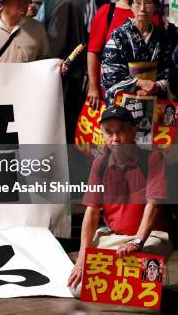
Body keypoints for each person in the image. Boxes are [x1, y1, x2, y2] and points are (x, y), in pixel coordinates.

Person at [67, 106, 172, 298]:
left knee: (142, 287)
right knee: (78, 288)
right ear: (102, 134)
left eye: (121, 131)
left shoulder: (153, 159)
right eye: (109, 132)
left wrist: (138, 242)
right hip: (114, 238)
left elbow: (154, 204)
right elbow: (91, 212)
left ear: (133, 131)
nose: (115, 139)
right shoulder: (99, 165)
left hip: (150, 237)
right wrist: (82, 257)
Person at [86, 0, 156, 109]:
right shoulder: (107, 11)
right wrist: (93, 87)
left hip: (149, 91)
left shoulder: (152, 15)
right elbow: (93, 51)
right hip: (116, 88)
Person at [44, 0, 95, 140]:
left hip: (50, 64)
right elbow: (92, 35)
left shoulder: (49, 0)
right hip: (77, 67)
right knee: (72, 114)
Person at [102, 0, 174, 104]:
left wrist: (154, 86)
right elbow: (111, 75)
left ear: (156, 7)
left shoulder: (162, 37)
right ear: (131, 6)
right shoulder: (119, 36)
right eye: (138, 2)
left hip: (154, 96)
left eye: (148, 3)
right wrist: (139, 84)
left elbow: (169, 71)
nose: (142, 9)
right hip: (124, 99)